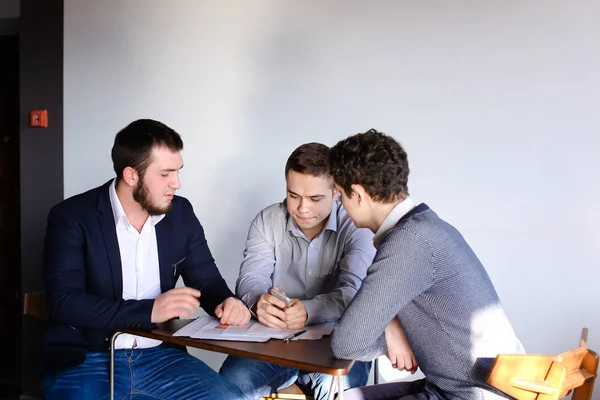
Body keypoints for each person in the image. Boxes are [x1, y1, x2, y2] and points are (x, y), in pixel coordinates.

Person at [42, 119, 250, 400]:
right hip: (87, 361)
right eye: (165, 174)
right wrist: (149, 311)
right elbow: (64, 302)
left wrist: (226, 302)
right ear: (131, 176)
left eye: (177, 171)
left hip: (161, 357)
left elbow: (207, 280)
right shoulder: (72, 216)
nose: (176, 183)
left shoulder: (181, 213)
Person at [328, 129, 525, 400]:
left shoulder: (408, 243)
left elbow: (347, 342)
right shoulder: (426, 227)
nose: (339, 202)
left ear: (359, 194)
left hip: (470, 394)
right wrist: (392, 327)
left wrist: (389, 337)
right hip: (464, 386)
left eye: (339, 193)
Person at [219, 143, 384, 400]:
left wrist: (308, 311)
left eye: (315, 198)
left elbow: (354, 292)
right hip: (274, 340)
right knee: (228, 384)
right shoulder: (267, 220)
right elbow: (251, 279)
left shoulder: (356, 225)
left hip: (337, 341)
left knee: (342, 393)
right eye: (293, 195)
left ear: (336, 192)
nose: (302, 208)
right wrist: (256, 301)